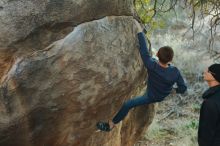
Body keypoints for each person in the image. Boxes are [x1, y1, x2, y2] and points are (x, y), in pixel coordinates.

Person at [96, 20, 187, 132]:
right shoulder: (175, 71)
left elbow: (144, 51)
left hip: (151, 96)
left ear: (157, 54)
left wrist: (138, 29)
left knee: (128, 104)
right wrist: (173, 91)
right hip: (163, 94)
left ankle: (111, 124)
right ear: (171, 59)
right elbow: (183, 89)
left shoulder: (151, 65)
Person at [198, 64, 220, 146]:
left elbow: (206, 133)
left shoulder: (211, 102)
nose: (204, 72)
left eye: (208, 71)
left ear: (214, 76)